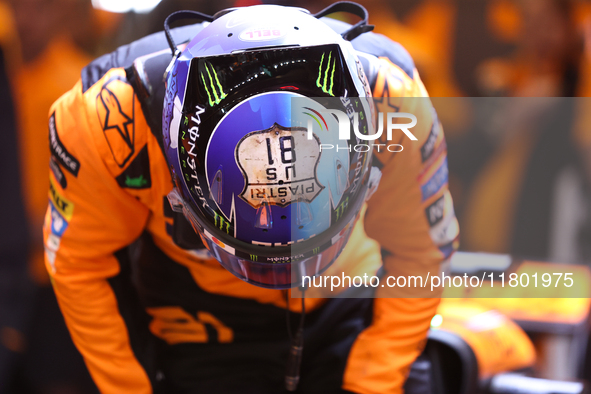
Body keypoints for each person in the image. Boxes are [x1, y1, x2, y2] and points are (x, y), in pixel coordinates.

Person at [43, 2, 458, 393]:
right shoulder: (106, 121)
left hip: (346, 299)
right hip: (198, 310)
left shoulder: (393, 99)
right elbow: (79, 262)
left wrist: (375, 379)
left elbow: (422, 250)